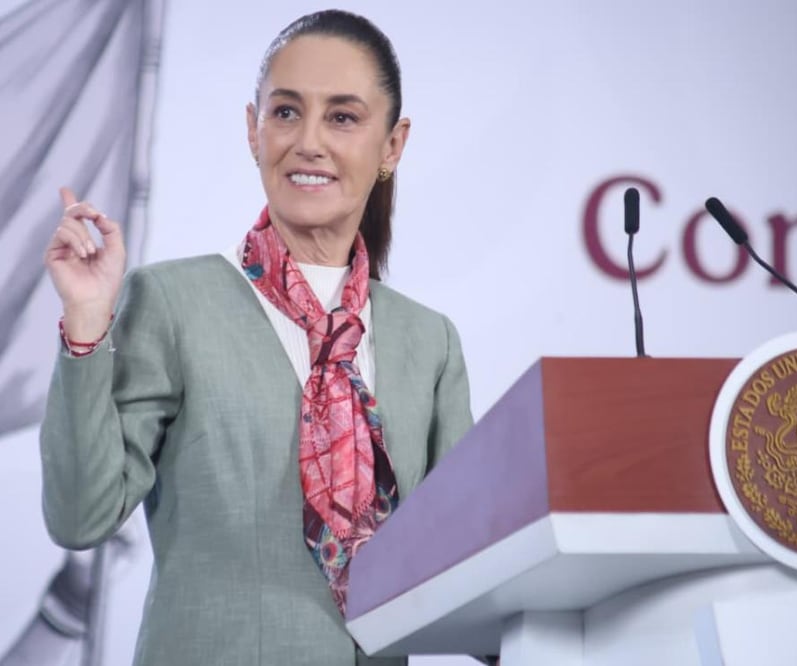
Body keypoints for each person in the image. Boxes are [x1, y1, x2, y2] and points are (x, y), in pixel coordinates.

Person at [40, 9, 473, 666]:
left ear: (393, 145)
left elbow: (468, 555)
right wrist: (86, 323)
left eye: (344, 117)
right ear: (253, 129)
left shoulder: (429, 342)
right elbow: (80, 516)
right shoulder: (173, 302)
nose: (309, 142)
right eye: (286, 112)